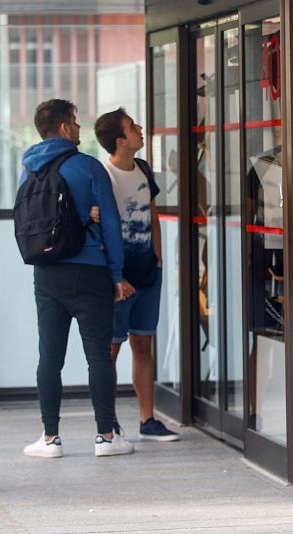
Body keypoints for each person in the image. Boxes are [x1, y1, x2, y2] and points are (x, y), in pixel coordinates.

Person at [21, 99, 134, 458]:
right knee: (98, 355)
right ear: (65, 127)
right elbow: (112, 224)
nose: (80, 128)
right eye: (76, 121)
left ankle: (50, 438)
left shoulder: (28, 168)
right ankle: (105, 437)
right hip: (90, 270)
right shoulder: (88, 167)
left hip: (47, 272)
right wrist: (117, 273)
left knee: (49, 356)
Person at [94, 107, 179, 442]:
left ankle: (148, 420)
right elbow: (97, 230)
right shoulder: (103, 175)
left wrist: (158, 258)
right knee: (111, 349)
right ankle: (108, 421)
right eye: (132, 127)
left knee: (143, 344)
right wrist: (115, 276)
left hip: (147, 272)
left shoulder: (142, 168)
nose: (140, 129)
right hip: (118, 278)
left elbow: (152, 214)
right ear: (120, 140)